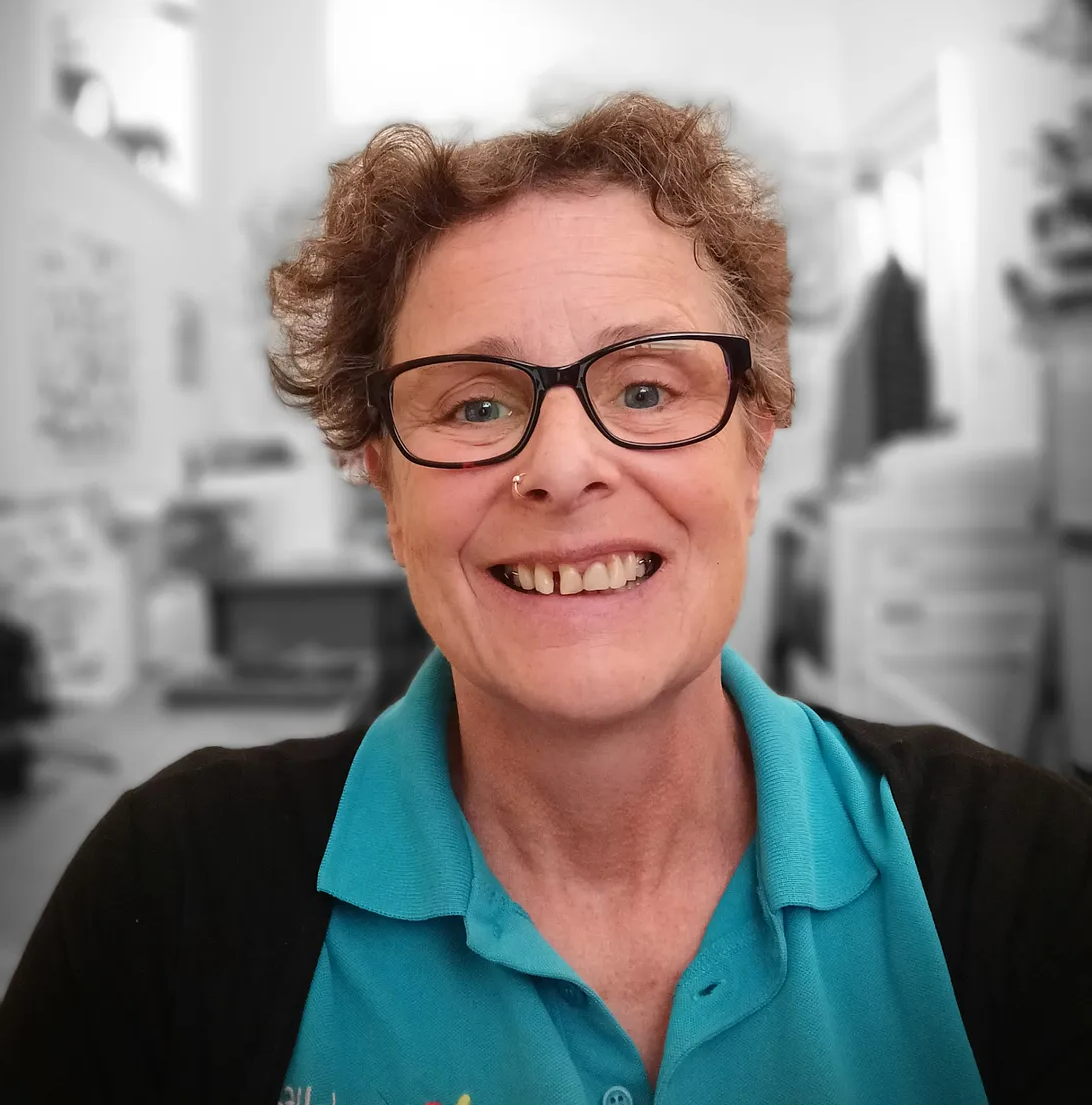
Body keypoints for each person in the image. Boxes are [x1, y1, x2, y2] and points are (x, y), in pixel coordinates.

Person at [1, 93, 1090, 1105]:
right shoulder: (168, 894)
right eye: (475, 406)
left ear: (756, 445)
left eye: (649, 388)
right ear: (383, 480)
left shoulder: (1033, 878)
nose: (564, 466)